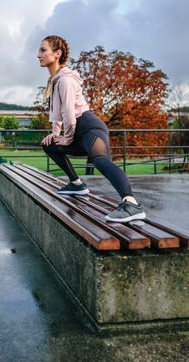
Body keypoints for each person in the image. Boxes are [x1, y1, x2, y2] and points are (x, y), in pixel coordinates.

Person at [38, 35, 146, 223]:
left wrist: (67, 138)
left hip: (89, 127)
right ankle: (77, 184)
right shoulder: (55, 80)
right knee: (49, 145)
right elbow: (58, 113)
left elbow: (70, 115)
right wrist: (56, 134)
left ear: (57, 54)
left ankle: (131, 203)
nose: (38, 54)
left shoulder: (65, 80)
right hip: (77, 131)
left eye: (43, 50)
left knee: (100, 161)